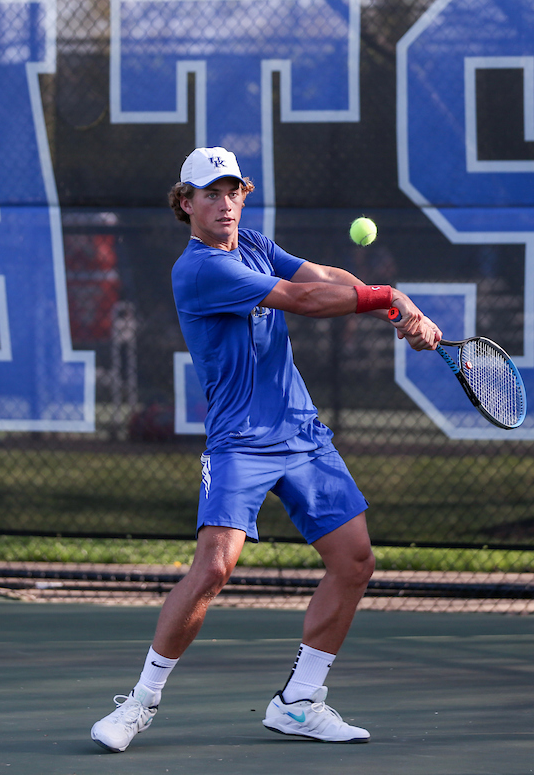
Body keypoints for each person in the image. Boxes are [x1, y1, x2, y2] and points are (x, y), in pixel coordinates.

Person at [90, 147, 441, 752]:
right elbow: (301, 301)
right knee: (214, 568)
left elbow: (322, 278)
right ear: (186, 204)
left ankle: (300, 702)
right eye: (209, 194)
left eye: (232, 191)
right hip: (240, 443)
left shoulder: (250, 242)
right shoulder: (198, 270)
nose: (224, 204)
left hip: (302, 434)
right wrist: (385, 297)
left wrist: (391, 299)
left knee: (355, 561)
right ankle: (139, 705)